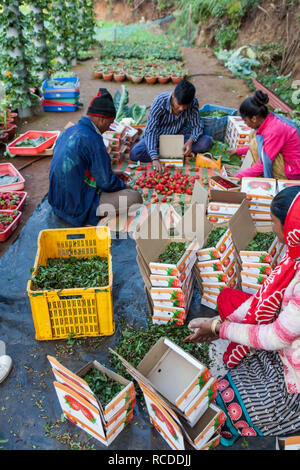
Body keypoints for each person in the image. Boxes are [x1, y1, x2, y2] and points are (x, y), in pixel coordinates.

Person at [184, 185, 300, 446]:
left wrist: (218, 328)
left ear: (291, 227)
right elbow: (266, 297)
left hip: (294, 374)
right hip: (289, 334)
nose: (271, 229)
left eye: (273, 222)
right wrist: (226, 323)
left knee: (224, 403)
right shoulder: (295, 255)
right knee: (227, 298)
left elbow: (274, 338)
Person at [48, 88, 143, 226]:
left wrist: (113, 173)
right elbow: (107, 183)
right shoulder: (93, 139)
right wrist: (125, 186)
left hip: (57, 200)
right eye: (110, 124)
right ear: (101, 119)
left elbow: (81, 168)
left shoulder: (69, 131)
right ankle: (89, 216)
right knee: (134, 197)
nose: (109, 128)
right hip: (75, 207)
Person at [129, 79, 213, 173]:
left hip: (180, 136)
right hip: (158, 138)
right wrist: (155, 158)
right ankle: (178, 153)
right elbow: (151, 131)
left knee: (206, 142)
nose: (181, 109)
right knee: (135, 153)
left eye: (185, 106)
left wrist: (190, 141)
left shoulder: (193, 102)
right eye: (179, 105)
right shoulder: (160, 102)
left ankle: (176, 152)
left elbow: (197, 125)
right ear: (173, 95)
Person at [227, 90, 300, 180]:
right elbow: (263, 147)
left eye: (245, 120)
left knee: (254, 139)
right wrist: (238, 151)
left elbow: (263, 163)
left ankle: (276, 178)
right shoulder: (269, 119)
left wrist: (239, 175)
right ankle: (254, 172)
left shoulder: (274, 130)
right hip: (290, 162)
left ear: (253, 118)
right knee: (254, 135)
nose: (246, 124)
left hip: (293, 171)